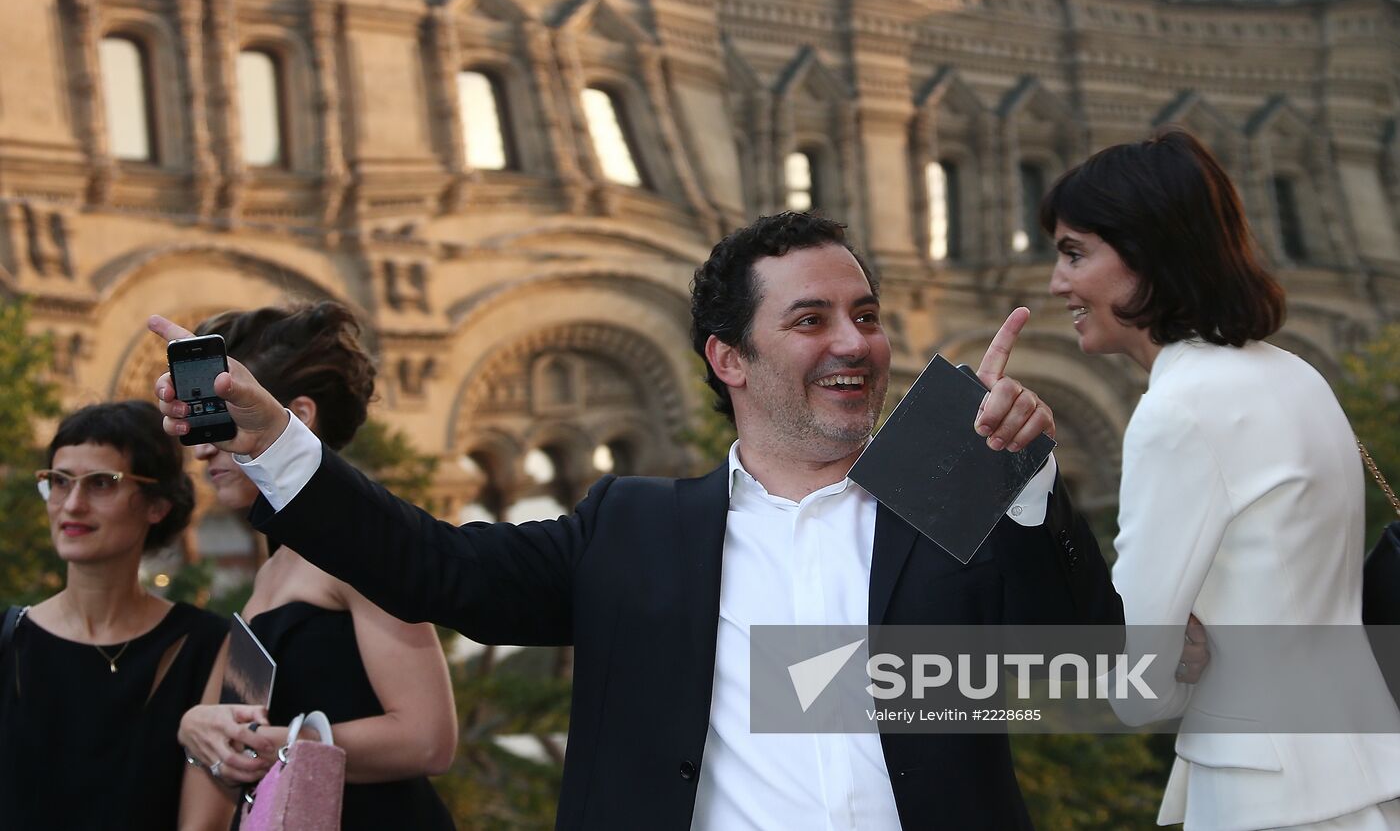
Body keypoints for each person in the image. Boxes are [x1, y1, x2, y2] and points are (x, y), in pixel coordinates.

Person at [151, 212, 1124, 830]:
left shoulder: (939, 499)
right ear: (726, 359)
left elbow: (1093, 669)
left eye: (864, 316)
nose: (853, 343)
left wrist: (1024, 487)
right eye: (809, 319)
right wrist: (279, 446)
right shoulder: (635, 526)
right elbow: (431, 567)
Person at [1043, 128, 1400, 829]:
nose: (1059, 282)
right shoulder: (1294, 374)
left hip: (1268, 789)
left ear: (1147, 254)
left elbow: (1138, 683)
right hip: (1363, 760)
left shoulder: (1179, 410)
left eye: (1075, 253)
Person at [173, 302, 458, 830]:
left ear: (299, 415)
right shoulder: (270, 573)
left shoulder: (351, 552)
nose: (202, 452)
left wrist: (280, 744)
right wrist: (198, 727)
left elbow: (428, 741)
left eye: (220, 417)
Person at [0, 401, 228, 830]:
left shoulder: (207, 646)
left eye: (101, 483)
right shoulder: (7, 640)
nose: (72, 505)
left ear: (157, 504)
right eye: (59, 481)